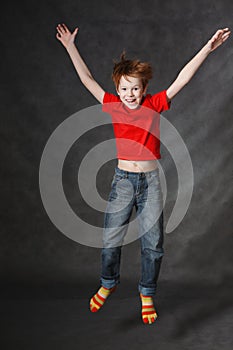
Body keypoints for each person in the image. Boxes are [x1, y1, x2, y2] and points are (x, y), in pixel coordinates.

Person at [55, 23, 230, 324]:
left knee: (154, 244)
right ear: (117, 90)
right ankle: (108, 283)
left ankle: (146, 293)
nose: (130, 94)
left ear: (144, 89)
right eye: (124, 88)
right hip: (123, 181)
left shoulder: (154, 104)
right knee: (111, 238)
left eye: (135, 88)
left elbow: (182, 79)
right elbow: (87, 80)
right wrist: (71, 46)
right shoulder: (112, 105)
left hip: (150, 183)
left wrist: (207, 48)